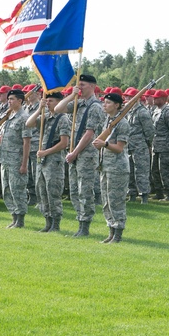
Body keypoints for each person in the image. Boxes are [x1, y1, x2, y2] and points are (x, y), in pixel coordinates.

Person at [55, 74, 105, 237]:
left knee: (85, 190)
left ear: (92, 86)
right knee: (75, 190)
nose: (79, 87)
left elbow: (89, 133)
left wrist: (75, 152)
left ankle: (85, 225)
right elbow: (58, 109)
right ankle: (80, 221)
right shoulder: (79, 102)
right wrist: (72, 95)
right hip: (74, 153)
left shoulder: (95, 106)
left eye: (82, 85)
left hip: (86, 154)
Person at [27, 91, 70, 233]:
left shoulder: (63, 119)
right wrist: (39, 109)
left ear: (59, 102)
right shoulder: (46, 118)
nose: (48, 103)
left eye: (50, 100)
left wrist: (46, 152)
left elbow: (64, 143)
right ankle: (47, 221)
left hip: (54, 160)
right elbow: (29, 123)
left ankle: (56, 223)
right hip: (43, 160)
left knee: (53, 191)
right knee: (42, 191)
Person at [0, 89, 32, 228]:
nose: (9, 101)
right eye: (8, 99)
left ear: (20, 101)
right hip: (4, 159)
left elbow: (26, 142)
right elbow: (4, 137)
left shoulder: (24, 118)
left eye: (12, 99)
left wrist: (24, 164)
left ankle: (20, 219)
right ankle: (14, 217)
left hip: (16, 160)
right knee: (6, 190)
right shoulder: (8, 117)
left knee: (17, 190)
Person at [93, 92, 130, 243]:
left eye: (108, 103)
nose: (104, 105)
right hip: (106, 166)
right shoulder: (108, 121)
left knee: (116, 200)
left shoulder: (122, 123)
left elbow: (120, 148)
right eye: (104, 102)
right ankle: (111, 231)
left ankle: (118, 232)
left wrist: (105, 144)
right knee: (106, 201)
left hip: (117, 167)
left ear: (117, 105)